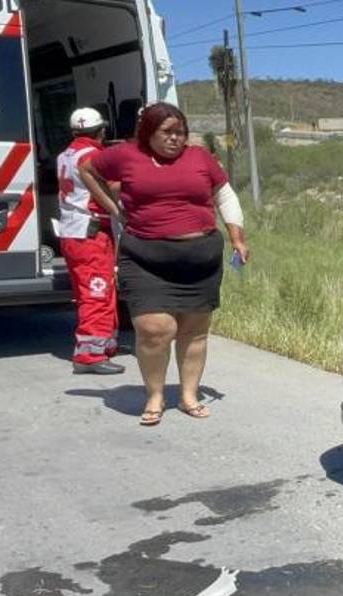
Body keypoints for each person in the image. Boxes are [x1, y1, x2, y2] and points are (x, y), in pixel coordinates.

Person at [79, 103, 249, 426]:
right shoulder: (126, 155)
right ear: (148, 133)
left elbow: (225, 196)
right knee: (155, 329)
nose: (175, 138)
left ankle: (188, 395)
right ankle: (155, 395)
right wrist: (113, 208)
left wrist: (237, 238)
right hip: (145, 259)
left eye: (181, 132)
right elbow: (87, 169)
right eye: (167, 132)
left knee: (194, 332)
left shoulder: (199, 157)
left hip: (199, 259)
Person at [56, 107, 125, 375]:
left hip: (72, 232)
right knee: (97, 293)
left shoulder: (66, 154)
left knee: (93, 290)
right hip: (91, 234)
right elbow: (113, 187)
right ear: (101, 130)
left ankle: (104, 344)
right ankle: (89, 355)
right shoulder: (94, 156)